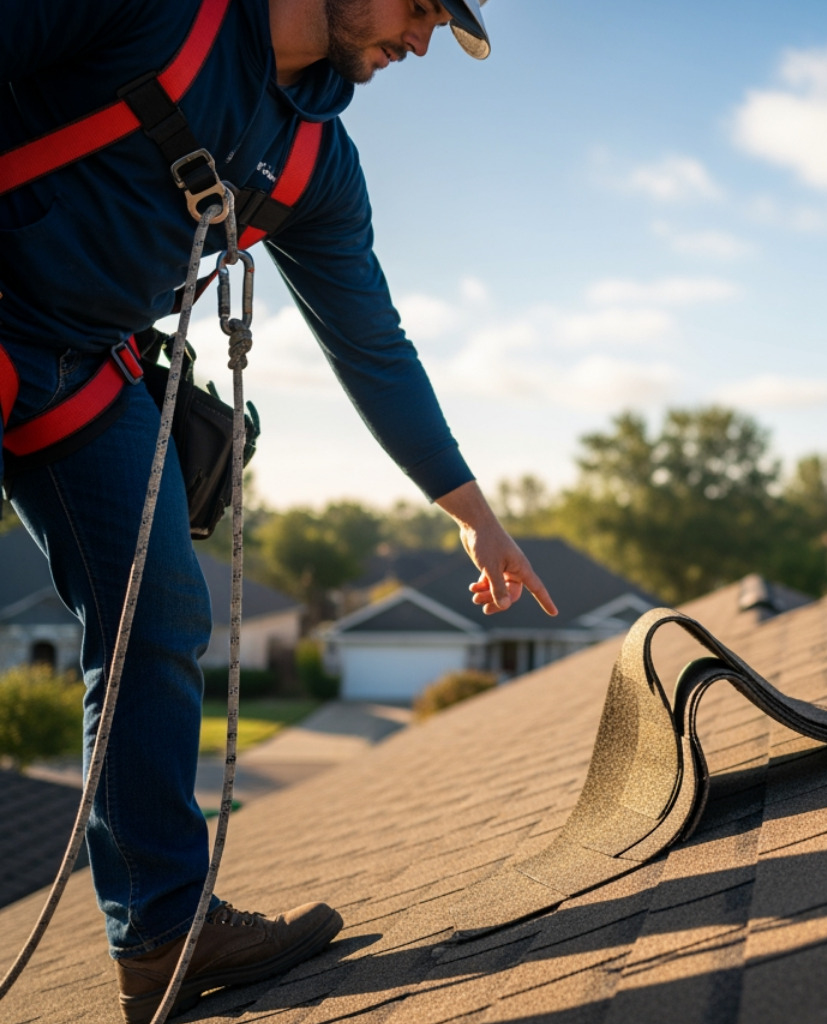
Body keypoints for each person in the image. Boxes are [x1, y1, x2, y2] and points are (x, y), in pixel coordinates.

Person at [0, 0, 556, 1019]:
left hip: (87, 371)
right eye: (420, 6)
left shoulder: (317, 168)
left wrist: (471, 512)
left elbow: (372, 344)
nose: (423, 41)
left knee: (159, 612)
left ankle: (162, 932)